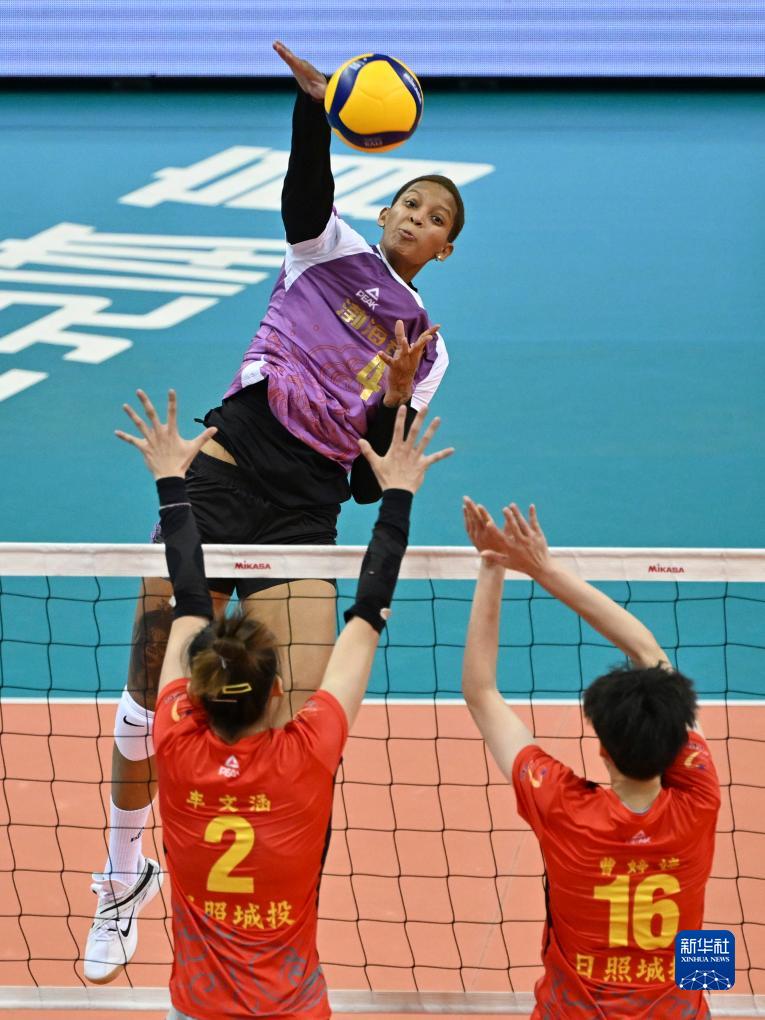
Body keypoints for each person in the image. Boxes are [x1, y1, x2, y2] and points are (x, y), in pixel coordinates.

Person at [84, 39, 465, 983]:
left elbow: (370, 482)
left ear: (444, 250)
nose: (416, 219)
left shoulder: (427, 349)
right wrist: (309, 107)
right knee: (147, 689)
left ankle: (265, 911)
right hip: (225, 471)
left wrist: (393, 397)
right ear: (384, 210)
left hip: (305, 516)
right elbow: (304, 190)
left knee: (293, 729)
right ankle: (124, 875)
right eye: (409, 204)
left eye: (435, 219)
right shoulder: (325, 249)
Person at [99, 387, 451, 1016]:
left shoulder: (175, 736)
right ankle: (121, 876)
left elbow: (190, 598)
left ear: (196, 695)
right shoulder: (305, 755)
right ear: (279, 690)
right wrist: (398, 496)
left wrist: (170, 483)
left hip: (198, 1007)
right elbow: (370, 612)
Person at [461, 497, 720, 1020]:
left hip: (571, 1012)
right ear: (675, 740)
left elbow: (481, 693)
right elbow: (649, 653)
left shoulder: (563, 807)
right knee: (704, 950)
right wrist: (544, 568)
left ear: (602, 748)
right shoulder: (700, 797)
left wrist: (494, 566)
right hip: (680, 1012)